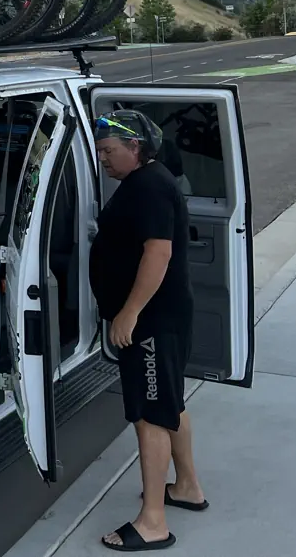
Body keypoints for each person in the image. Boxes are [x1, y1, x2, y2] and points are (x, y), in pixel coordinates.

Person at [88, 110, 202, 552]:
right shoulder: (149, 180)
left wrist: (130, 312)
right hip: (165, 315)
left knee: (150, 414)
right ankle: (188, 486)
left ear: (135, 148)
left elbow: (158, 253)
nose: (102, 159)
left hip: (153, 321)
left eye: (109, 151)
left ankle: (153, 520)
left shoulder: (151, 187)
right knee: (170, 401)